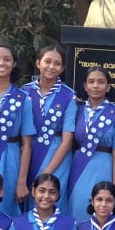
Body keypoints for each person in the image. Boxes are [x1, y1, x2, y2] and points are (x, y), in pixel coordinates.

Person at [0, 42, 35, 218]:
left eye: (6, 59)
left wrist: (22, 181)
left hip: (12, 159)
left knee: (8, 207)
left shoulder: (24, 98)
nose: (1, 63)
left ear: (14, 63)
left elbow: (27, 144)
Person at [24, 46, 77, 214]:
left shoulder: (68, 96)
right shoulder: (24, 92)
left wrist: (46, 173)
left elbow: (67, 141)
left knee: (51, 197)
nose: (51, 66)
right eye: (47, 61)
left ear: (62, 68)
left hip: (56, 155)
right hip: (29, 154)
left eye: (57, 63)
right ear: (38, 63)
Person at [68, 67, 115, 216]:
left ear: (108, 87)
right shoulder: (77, 110)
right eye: (91, 82)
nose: (95, 86)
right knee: (78, 208)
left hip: (104, 167)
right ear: (85, 86)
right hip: (79, 167)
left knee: (101, 209)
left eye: (101, 82)